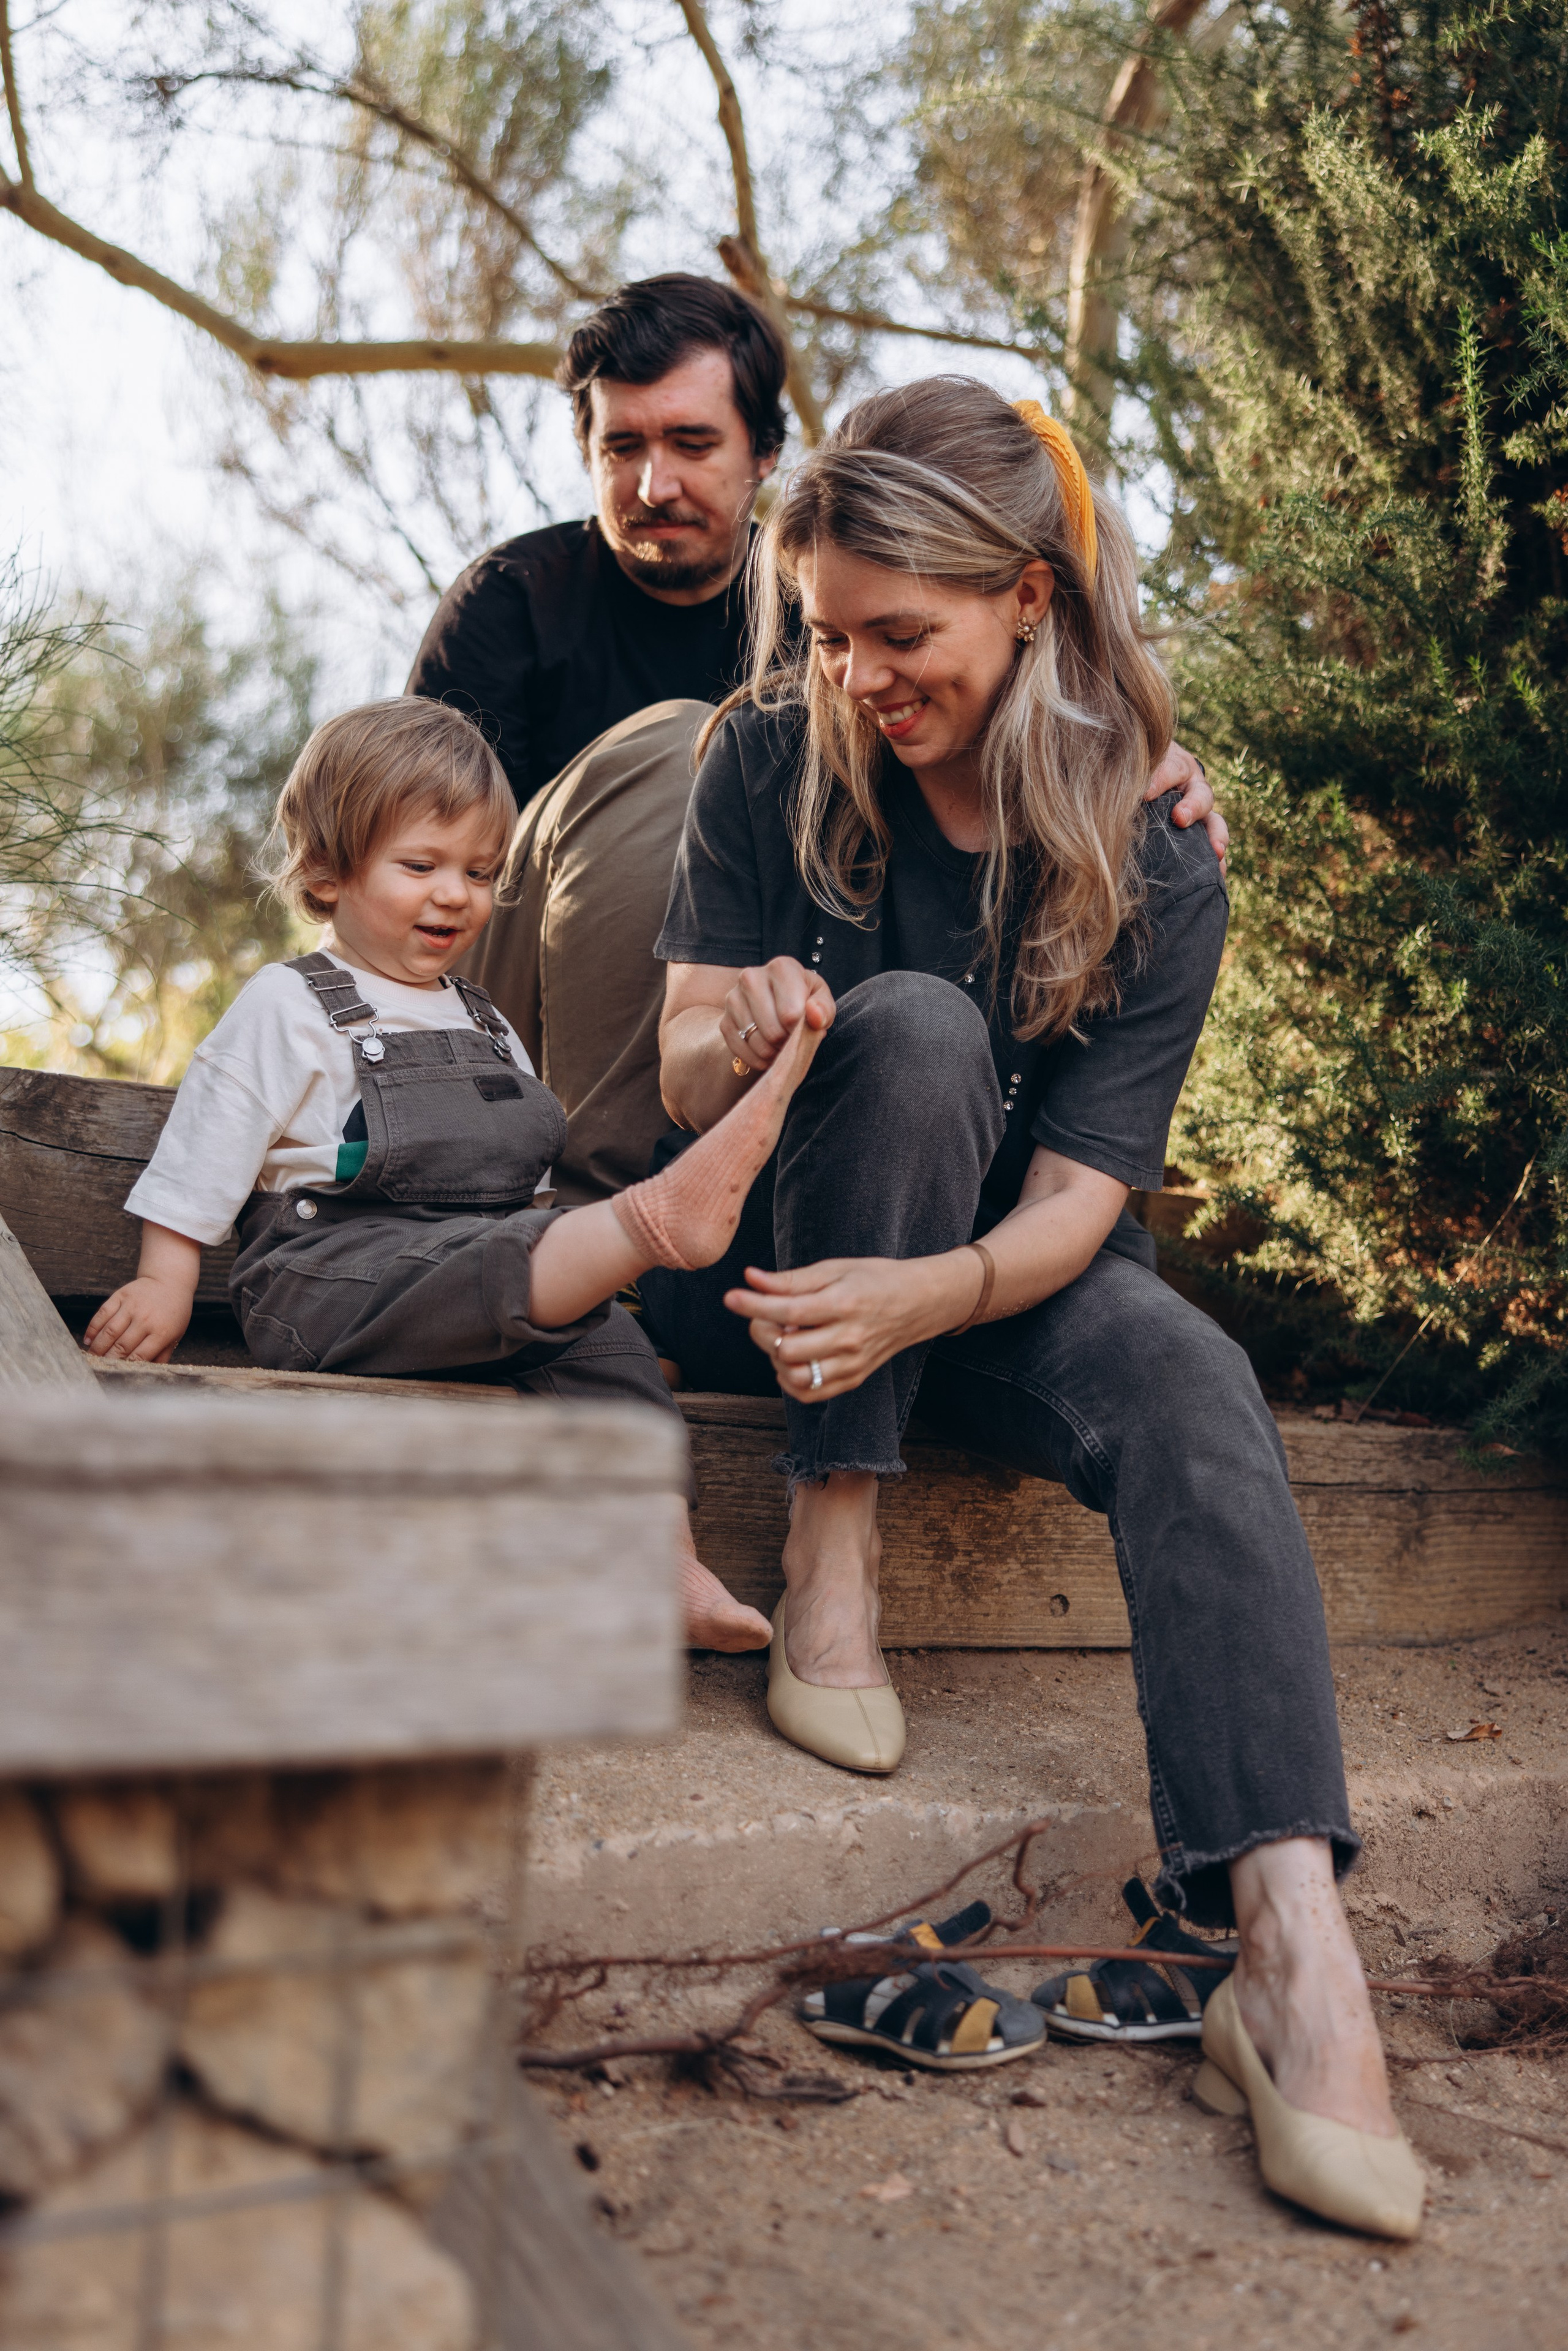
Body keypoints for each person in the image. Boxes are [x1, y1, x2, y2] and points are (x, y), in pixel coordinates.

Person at [637, 377, 1424, 2240]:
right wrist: (724, 1031)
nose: (856, 675)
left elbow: (1078, 1205)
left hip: (1004, 1278)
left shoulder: (1157, 844)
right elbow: (675, 1060)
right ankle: (837, 1542)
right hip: (798, 1256)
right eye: (828, 634)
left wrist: (939, 1293)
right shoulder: (767, 753)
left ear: (1028, 600)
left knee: (1197, 1379)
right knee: (904, 1029)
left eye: (900, 635)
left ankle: (1291, 1944)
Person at [408, 274, 1226, 1214]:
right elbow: (396, 845)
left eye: (691, 442)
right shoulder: (512, 599)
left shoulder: (831, 601)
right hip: (500, 984)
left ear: (763, 453)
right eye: (620, 445)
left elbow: (987, 674)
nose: (652, 483)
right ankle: (604, 1215)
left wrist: (1121, 751)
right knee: (690, 741)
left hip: (747, 1048)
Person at [81, 697, 826, 1653]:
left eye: (481, 872)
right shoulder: (290, 1004)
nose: (457, 895)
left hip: (480, 1269)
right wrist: (166, 1280)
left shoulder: (484, 1023)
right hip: (328, 1275)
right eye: (421, 866)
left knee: (609, 1352)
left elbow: (516, 1182)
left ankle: (668, 1557)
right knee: (511, 1266)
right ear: (326, 872)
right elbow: (205, 1143)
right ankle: (649, 1224)